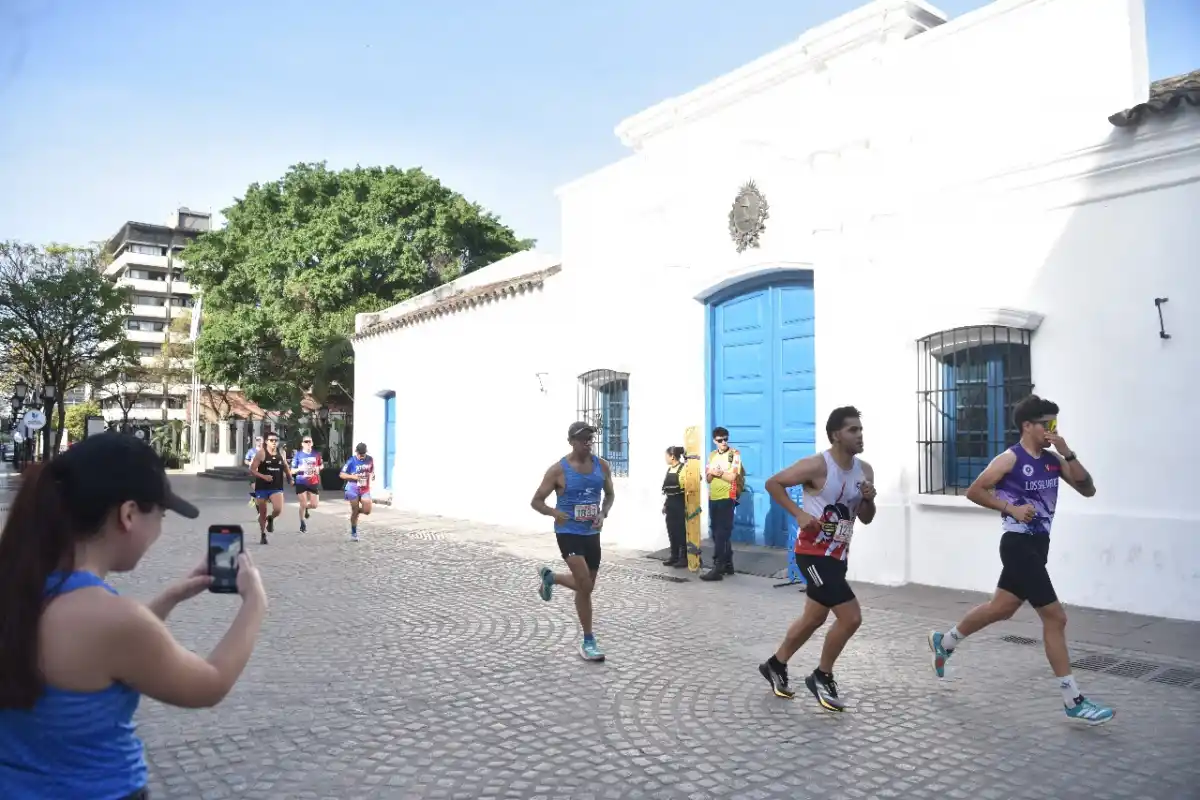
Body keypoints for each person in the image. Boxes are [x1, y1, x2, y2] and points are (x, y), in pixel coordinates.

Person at [0, 433, 267, 800]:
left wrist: (169, 597)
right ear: (128, 515)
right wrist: (255, 603)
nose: (159, 528)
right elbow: (210, 684)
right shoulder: (113, 620)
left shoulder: (19, 589)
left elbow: (101, 651)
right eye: (159, 514)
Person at [927, 395, 1114, 725]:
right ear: (1027, 426)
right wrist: (1010, 508)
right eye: (1047, 424)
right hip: (1017, 545)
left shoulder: (1055, 460)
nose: (1052, 430)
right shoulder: (1009, 459)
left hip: (1038, 546)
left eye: (1055, 424)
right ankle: (1073, 700)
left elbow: (1088, 490)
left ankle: (945, 641)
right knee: (1055, 618)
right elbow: (974, 490)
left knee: (1001, 608)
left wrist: (1068, 452)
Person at [758, 406, 875, 712]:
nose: (860, 435)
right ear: (836, 435)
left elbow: (866, 518)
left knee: (814, 617)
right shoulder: (817, 466)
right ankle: (822, 675)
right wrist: (798, 513)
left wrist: (869, 499)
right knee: (851, 617)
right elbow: (773, 483)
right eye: (853, 430)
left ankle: (775, 665)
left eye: (861, 429)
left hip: (837, 556)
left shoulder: (865, 471)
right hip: (812, 554)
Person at [531, 421, 616, 662]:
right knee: (586, 587)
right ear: (571, 441)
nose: (588, 442)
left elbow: (609, 494)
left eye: (590, 438)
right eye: (583, 439)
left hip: (592, 534)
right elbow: (536, 501)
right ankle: (588, 641)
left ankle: (551, 578)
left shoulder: (602, 466)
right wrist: (553, 512)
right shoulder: (558, 470)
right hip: (568, 532)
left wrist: (603, 513)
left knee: (587, 585)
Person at [700, 426, 742, 581]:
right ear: (714, 441)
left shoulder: (734, 454)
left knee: (721, 533)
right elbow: (708, 479)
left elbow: (732, 477)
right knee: (717, 531)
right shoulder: (712, 456)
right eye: (720, 440)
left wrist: (719, 473)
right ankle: (728, 564)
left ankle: (717, 567)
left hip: (727, 497)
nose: (723, 442)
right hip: (714, 497)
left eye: (726, 439)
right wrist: (712, 473)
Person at [249, 431, 290, 545]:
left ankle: (271, 518)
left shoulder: (281, 453)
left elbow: (286, 466)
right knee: (262, 512)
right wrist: (264, 476)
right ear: (266, 441)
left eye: (276, 440)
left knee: (278, 509)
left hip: (276, 486)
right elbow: (252, 470)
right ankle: (263, 534)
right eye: (271, 440)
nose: (274, 442)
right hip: (262, 486)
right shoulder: (261, 454)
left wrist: (290, 478)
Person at [339, 442, 374, 542]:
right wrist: (353, 477)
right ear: (357, 452)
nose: (361, 456)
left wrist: (372, 475)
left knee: (367, 511)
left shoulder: (370, 459)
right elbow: (341, 474)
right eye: (360, 454)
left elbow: (371, 470)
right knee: (355, 510)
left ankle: (356, 512)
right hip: (353, 488)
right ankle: (354, 532)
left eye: (363, 454)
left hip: (364, 488)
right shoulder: (351, 461)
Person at [660, 446, 688, 568]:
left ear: (672, 456)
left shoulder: (683, 469)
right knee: (671, 531)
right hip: (670, 503)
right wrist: (665, 505)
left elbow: (689, 488)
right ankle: (674, 556)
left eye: (666, 456)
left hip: (680, 503)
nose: (665, 458)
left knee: (681, 531)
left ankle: (684, 558)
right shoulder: (670, 469)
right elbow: (667, 491)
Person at [291, 436, 322, 533]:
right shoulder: (298, 456)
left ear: (312, 443)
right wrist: (300, 469)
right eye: (306, 441)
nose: (308, 443)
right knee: (303, 504)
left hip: (313, 481)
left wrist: (318, 468)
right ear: (302, 444)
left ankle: (306, 509)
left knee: (314, 505)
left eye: (309, 441)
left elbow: (321, 464)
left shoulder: (316, 454)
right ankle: (302, 523)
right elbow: (292, 470)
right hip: (301, 481)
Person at [244, 435, 263, 508]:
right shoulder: (251, 451)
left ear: (263, 441)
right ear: (255, 442)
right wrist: (249, 463)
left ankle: (254, 499)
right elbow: (246, 460)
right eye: (257, 440)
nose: (259, 442)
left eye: (260, 440)